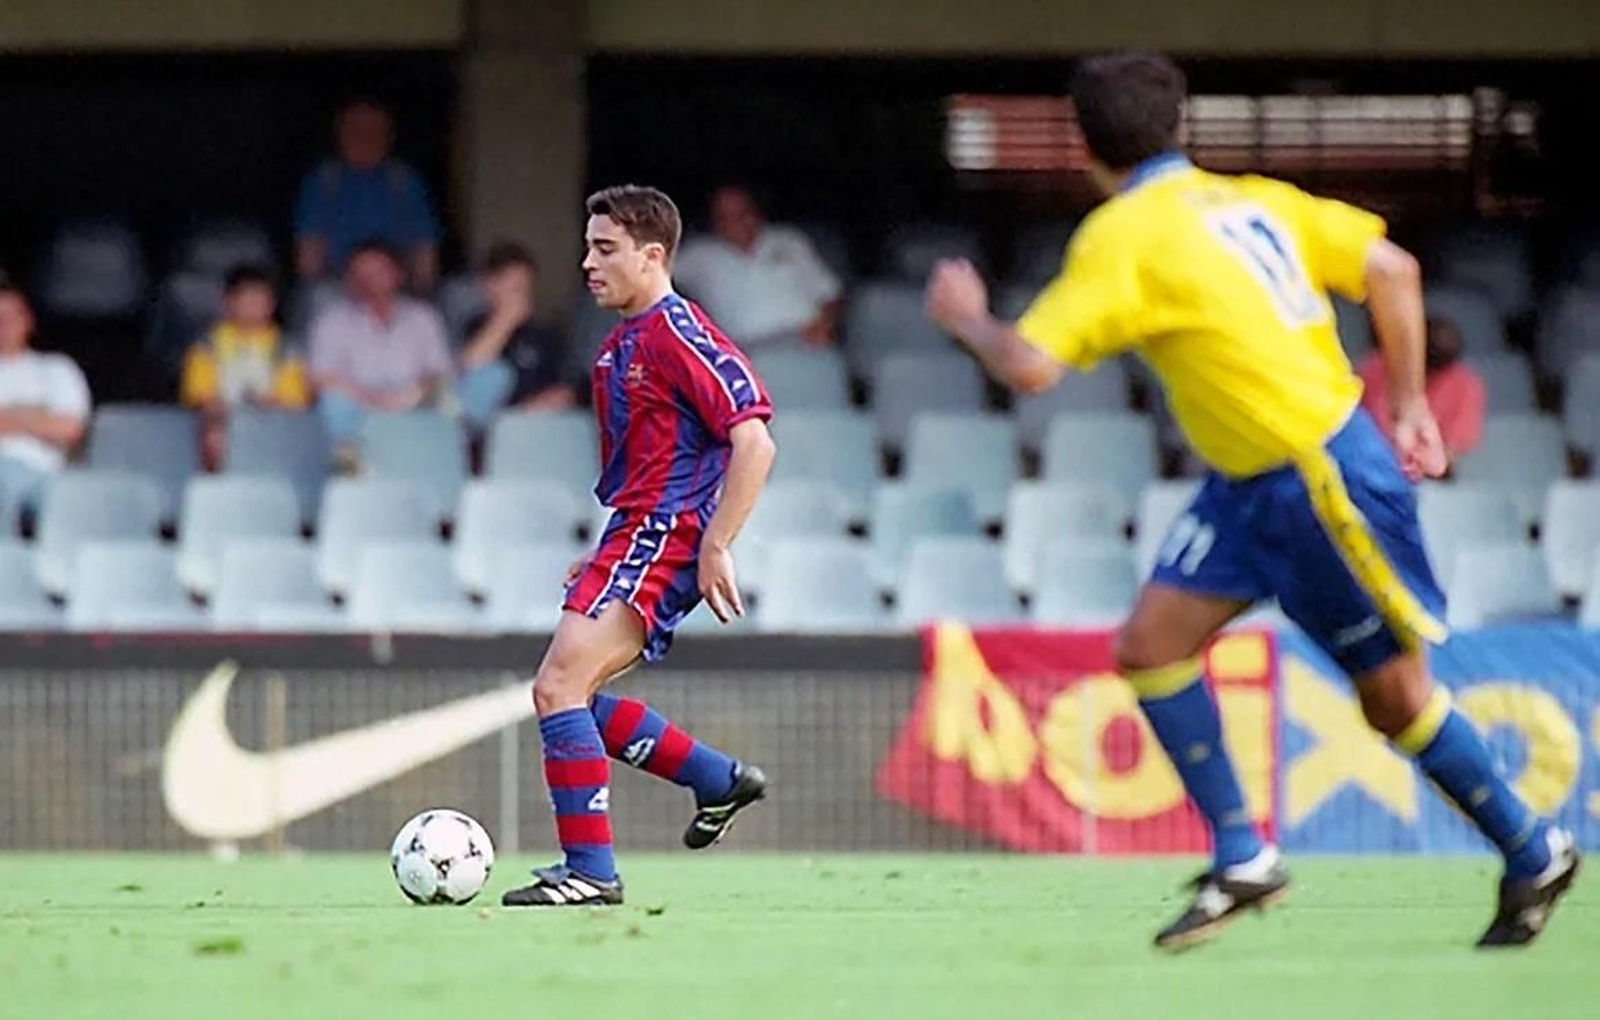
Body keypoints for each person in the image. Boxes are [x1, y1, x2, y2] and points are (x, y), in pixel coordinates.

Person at [926, 52, 1578, 950]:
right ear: (1180, 126)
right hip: (1254, 482)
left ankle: (1528, 843)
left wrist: (965, 316)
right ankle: (1244, 856)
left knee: (1394, 700)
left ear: (1083, 145)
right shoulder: (1256, 198)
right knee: (1151, 646)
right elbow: (1392, 270)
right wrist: (1413, 405)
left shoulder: (1124, 235)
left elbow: (1033, 366)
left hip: (1318, 477)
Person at [499, 185, 777, 908]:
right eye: (588, 247)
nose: (588, 263)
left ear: (653, 257)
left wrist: (716, 544)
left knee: (558, 685)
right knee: (572, 697)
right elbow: (656, 464)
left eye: (605, 249)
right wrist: (607, 551)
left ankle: (590, 872)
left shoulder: (679, 334)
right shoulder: (623, 342)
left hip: (667, 536)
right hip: (638, 534)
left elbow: (755, 441)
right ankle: (719, 780)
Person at [307, 240, 452, 467]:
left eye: (378, 272)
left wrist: (407, 398)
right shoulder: (331, 320)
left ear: (399, 275)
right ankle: (350, 472)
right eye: (360, 273)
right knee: (333, 403)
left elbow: (438, 373)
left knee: (449, 398)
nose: (369, 280)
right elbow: (320, 377)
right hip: (357, 405)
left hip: (413, 402)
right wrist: (373, 400)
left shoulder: (423, 317)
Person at [294, 98, 441, 290]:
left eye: (374, 132)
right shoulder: (323, 182)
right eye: (356, 130)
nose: (365, 138)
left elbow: (425, 251)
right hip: (338, 286)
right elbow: (308, 258)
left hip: (397, 286)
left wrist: (419, 288)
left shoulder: (405, 181)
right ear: (340, 135)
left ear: (389, 137)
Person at [674, 184, 842, 347]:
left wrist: (825, 324)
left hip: (806, 340)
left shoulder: (789, 240)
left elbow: (831, 295)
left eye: (743, 212)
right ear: (714, 221)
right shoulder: (698, 255)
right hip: (746, 351)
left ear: (757, 212)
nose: (736, 221)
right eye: (725, 215)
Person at [180, 265, 310, 471]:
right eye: (246, 300)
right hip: (223, 426)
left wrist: (262, 407)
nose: (253, 306)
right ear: (228, 303)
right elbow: (200, 396)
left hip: (275, 425)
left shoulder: (286, 346)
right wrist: (236, 413)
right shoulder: (207, 345)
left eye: (260, 300)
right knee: (214, 436)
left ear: (272, 304)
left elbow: (294, 401)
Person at [0, 277, 91, 531]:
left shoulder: (57, 369)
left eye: (11, 317)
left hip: (45, 473)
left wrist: (8, 417)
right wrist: (36, 416)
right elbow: (53, 426)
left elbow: (70, 430)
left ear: (28, 320)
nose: (3, 326)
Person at [455, 241, 577, 427]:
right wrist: (505, 320)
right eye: (513, 289)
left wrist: (553, 400)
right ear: (487, 286)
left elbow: (565, 387)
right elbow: (470, 368)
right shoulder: (473, 326)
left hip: (537, 427)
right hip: (485, 434)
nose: (521, 298)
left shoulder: (545, 334)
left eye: (525, 289)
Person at [1359, 316, 1485, 460]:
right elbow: (1359, 432)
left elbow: (1449, 454)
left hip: (1431, 473)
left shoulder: (1467, 385)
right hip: (1373, 461)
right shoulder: (1373, 369)